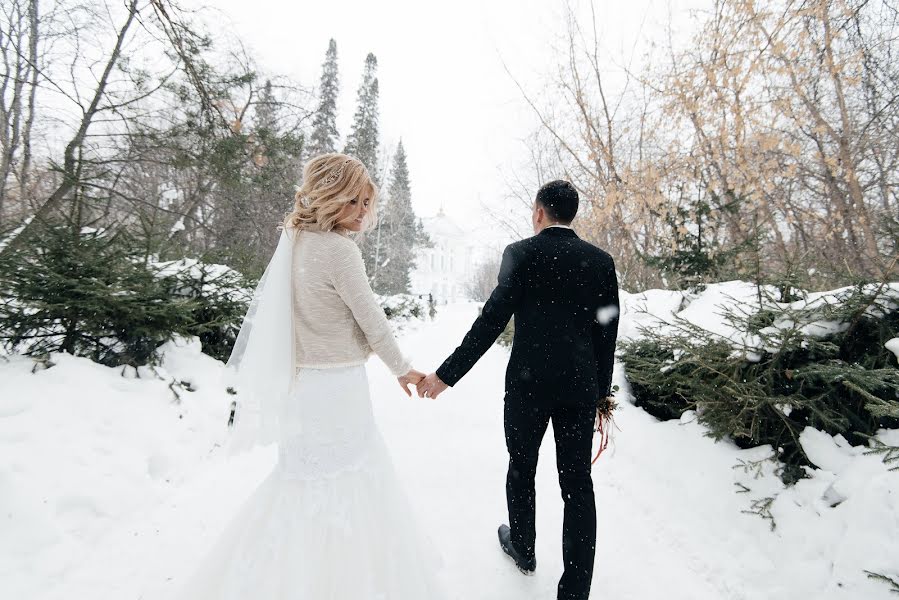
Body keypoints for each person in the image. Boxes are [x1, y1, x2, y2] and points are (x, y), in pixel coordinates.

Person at [175, 153, 444, 599]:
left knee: (298, 479)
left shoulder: (293, 241)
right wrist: (403, 369)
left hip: (299, 386)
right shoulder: (341, 252)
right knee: (350, 478)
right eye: (354, 201)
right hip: (338, 389)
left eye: (366, 202)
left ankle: (286, 577)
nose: (362, 211)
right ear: (330, 196)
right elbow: (372, 320)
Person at [417, 180, 619, 600]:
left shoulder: (522, 254)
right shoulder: (600, 262)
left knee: (521, 465)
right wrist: (601, 392)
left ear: (540, 213)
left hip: (528, 387)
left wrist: (445, 375)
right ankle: (575, 589)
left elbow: (491, 322)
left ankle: (524, 548)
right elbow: (607, 331)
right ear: (572, 214)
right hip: (579, 389)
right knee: (577, 484)